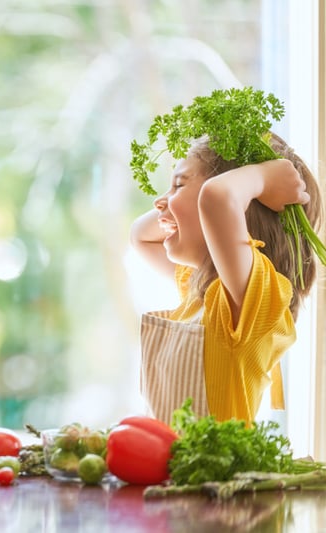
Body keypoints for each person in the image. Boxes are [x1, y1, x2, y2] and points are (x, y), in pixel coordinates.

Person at [130, 133, 322, 425]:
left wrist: (265, 177)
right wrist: (178, 201)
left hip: (212, 472)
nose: (159, 202)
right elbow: (141, 237)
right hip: (168, 468)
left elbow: (216, 197)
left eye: (179, 184)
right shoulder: (204, 291)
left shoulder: (252, 300)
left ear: (240, 209)